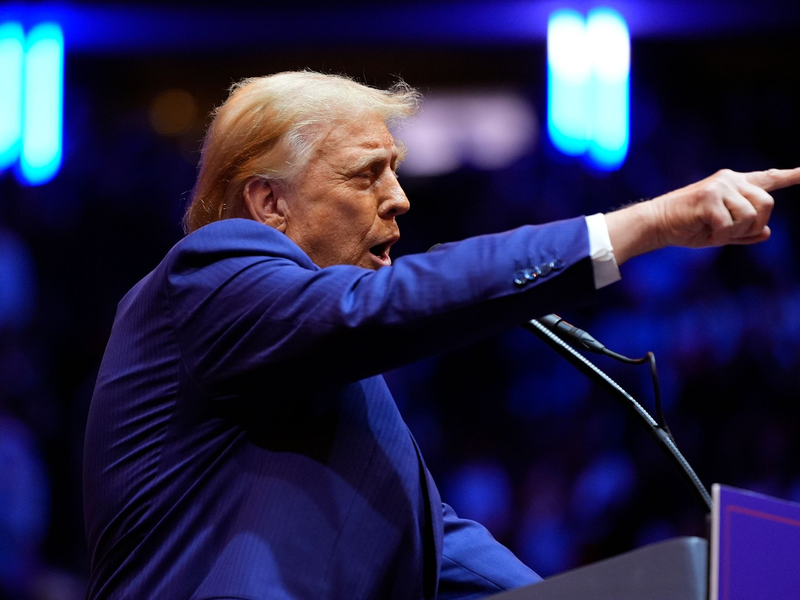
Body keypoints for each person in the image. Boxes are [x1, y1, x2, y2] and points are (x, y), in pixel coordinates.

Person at [83, 71, 799, 599]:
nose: (399, 198)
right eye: (367, 174)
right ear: (269, 203)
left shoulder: (335, 377)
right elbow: (384, 305)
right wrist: (646, 224)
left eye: (395, 171)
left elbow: (437, 542)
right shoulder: (209, 276)